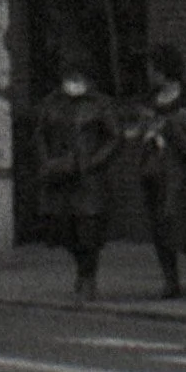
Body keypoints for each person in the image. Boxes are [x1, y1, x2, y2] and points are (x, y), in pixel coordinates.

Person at [34, 60, 120, 300]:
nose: (73, 81)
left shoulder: (100, 104)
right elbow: (40, 133)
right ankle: (82, 269)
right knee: (63, 228)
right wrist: (48, 160)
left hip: (88, 177)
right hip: (60, 175)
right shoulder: (52, 103)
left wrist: (93, 162)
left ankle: (87, 276)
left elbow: (114, 137)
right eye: (69, 75)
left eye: (78, 75)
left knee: (88, 228)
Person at [136, 44, 186, 298]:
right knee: (161, 223)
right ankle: (170, 279)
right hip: (158, 169)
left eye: (152, 68)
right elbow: (143, 127)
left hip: (185, 168)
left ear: (163, 69)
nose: (149, 73)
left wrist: (173, 127)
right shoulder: (150, 96)